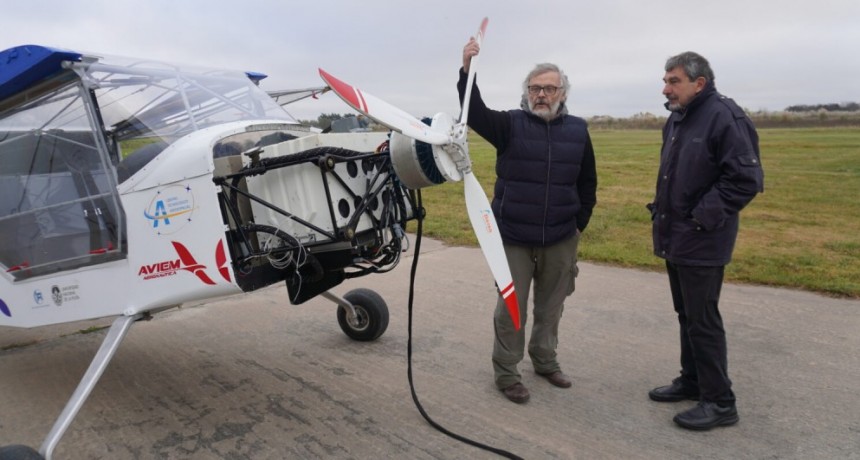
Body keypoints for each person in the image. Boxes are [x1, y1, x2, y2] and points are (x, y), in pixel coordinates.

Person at [459, 38, 597, 404]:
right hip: (514, 237)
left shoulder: (579, 131)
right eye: (535, 88)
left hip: (561, 237)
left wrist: (577, 223)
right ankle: (506, 373)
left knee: (551, 308)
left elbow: (588, 183)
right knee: (512, 308)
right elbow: (473, 112)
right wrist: (467, 70)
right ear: (527, 93)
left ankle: (545, 360)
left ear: (562, 92)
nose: (541, 94)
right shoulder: (509, 125)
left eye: (549, 88)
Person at [647, 51, 764, 430]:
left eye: (674, 81)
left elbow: (745, 180)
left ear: (700, 83)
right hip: (676, 235)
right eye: (666, 81)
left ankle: (720, 401)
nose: (666, 88)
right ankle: (694, 380)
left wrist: (700, 218)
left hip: (702, 239)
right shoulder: (678, 119)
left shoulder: (724, 116)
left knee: (703, 319)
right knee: (687, 315)